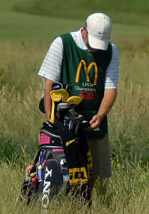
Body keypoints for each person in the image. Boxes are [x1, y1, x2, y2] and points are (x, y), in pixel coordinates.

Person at [38, 12, 119, 198]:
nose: (96, 48)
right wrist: (51, 122)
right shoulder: (62, 43)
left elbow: (110, 89)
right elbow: (49, 85)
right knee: (59, 170)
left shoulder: (111, 51)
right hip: (62, 120)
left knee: (92, 173)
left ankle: (84, 206)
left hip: (93, 119)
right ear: (84, 29)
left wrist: (101, 115)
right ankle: (58, 205)